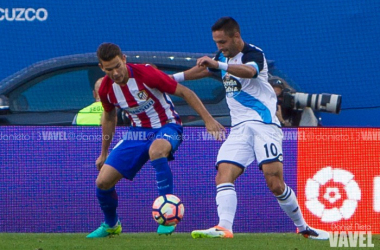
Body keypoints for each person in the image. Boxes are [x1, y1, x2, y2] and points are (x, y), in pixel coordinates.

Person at [172, 17, 329, 240]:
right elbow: (204, 71)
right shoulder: (221, 57)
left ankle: (303, 227)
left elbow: (250, 72)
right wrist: (169, 78)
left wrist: (219, 65)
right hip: (239, 128)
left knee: (274, 183)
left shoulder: (253, 54)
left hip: (264, 125)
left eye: (223, 42)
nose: (219, 47)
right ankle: (224, 228)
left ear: (236, 36)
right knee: (223, 174)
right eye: (216, 42)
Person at [86, 42, 225, 238]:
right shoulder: (106, 89)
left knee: (157, 150)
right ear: (102, 68)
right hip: (137, 134)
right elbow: (109, 117)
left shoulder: (146, 74)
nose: (115, 72)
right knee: (102, 182)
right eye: (109, 69)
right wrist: (104, 153)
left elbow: (186, 92)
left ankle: (168, 215)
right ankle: (111, 225)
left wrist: (208, 120)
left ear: (124, 59)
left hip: (167, 125)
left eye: (117, 66)